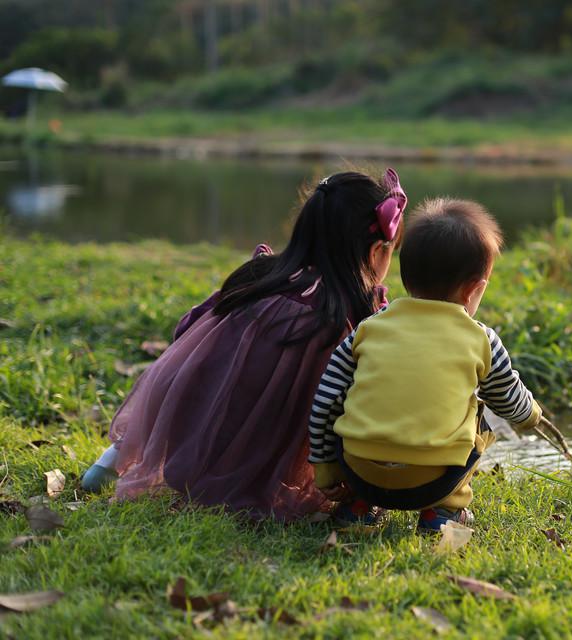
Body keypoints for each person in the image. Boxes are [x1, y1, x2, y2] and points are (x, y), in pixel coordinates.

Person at [80, 169, 407, 521]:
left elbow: (187, 336)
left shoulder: (257, 279)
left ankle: (113, 458)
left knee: (193, 375)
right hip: (272, 446)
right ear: (376, 251)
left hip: (196, 432)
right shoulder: (348, 318)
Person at [307, 198, 542, 532]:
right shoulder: (482, 339)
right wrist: (532, 414)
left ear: (407, 277)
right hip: (432, 481)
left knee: (353, 396)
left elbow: (325, 400)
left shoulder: (369, 328)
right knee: (481, 415)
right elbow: (509, 399)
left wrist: (324, 465)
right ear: (474, 290)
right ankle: (443, 512)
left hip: (360, 473)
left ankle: (359, 508)